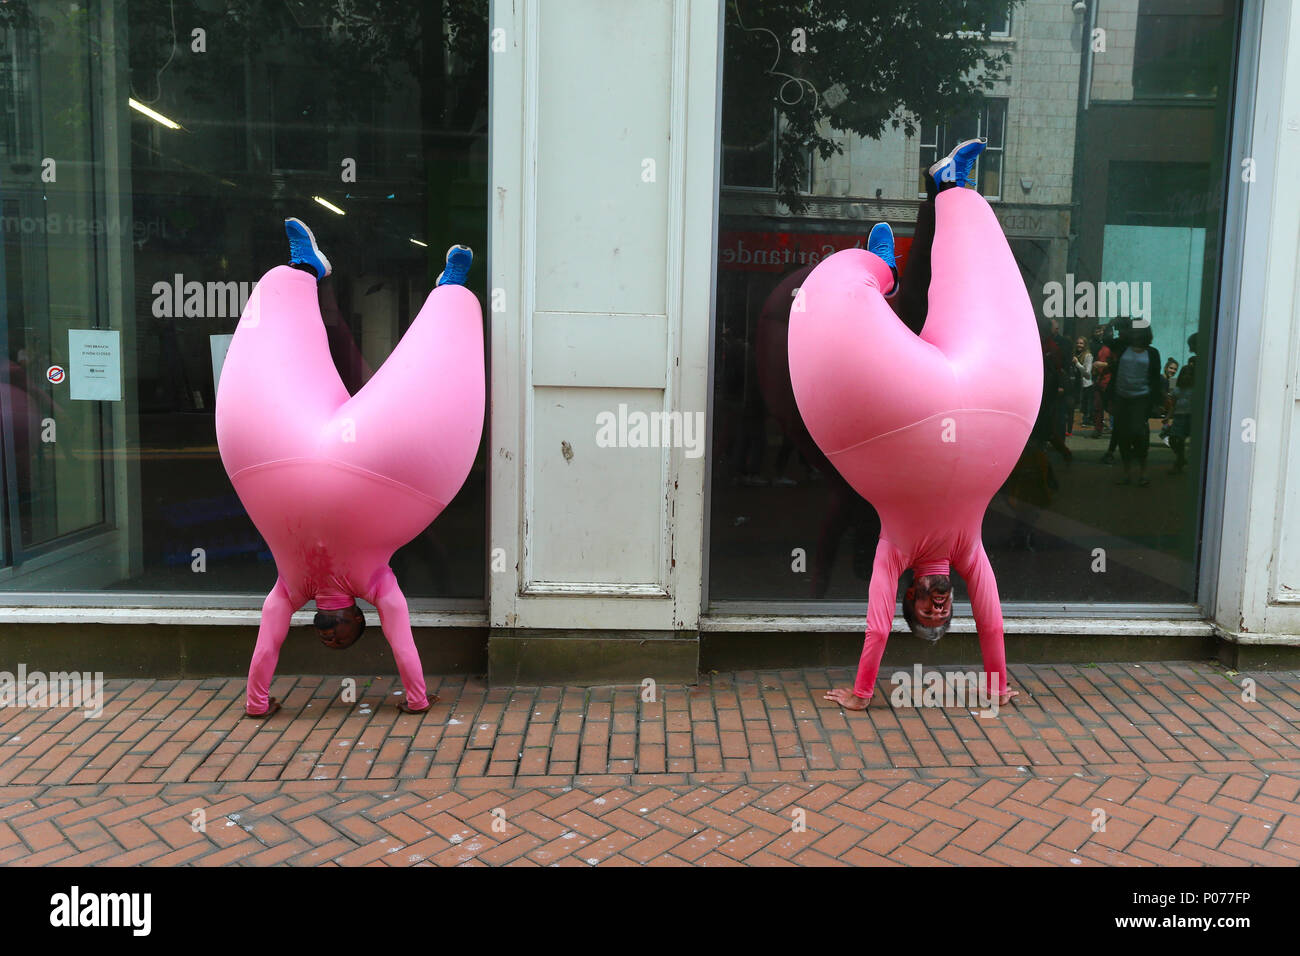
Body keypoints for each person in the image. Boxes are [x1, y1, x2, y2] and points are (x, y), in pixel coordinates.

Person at [789, 138, 1040, 710]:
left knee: (837, 321)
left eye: (928, 610)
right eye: (946, 613)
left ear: (909, 595)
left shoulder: (895, 547)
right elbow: (994, 623)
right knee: (988, 312)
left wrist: (860, 694)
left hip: (911, 405)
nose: (941, 607)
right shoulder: (967, 544)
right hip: (987, 395)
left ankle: (879, 269)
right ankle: (949, 189)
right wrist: (998, 686)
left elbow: (876, 630)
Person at [216, 219, 485, 718]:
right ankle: (302, 272)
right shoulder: (289, 586)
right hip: (275, 456)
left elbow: (402, 642)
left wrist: (418, 699)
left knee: (430, 384)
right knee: (266, 363)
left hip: (368, 462)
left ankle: (450, 291)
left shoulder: (371, 583)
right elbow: (266, 646)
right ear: (318, 617)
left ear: (357, 617)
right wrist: (255, 703)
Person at [1109, 324, 1164, 486]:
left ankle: (1143, 471)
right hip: (1121, 397)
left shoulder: (1152, 353)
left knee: (1139, 434)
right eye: (1134, 330)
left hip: (1141, 399)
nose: (1136, 334)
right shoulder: (1122, 347)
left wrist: (1157, 403)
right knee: (1123, 436)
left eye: (1139, 331)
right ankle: (1126, 473)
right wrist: (1116, 322)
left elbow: (1155, 379)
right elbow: (1107, 338)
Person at [1164, 364, 1194, 474]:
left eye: (1189, 375)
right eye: (1184, 374)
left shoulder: (1195, 390)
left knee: (1182, 440)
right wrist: (1168, 417)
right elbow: (1173, 405)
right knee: (1173, 439)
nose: (1187, 377)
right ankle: (1181, 458)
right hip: (1178, 417)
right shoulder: (1177, 390)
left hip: (1190, 417)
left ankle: (1178, 463)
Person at [1073, 336, 1093, 436]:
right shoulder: (1076, 354)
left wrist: (1077, 364)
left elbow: (1087, 373)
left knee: (1085, 404)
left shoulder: (1088, 355)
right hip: (1076, 382)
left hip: (1086, 383)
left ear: (1085, 345)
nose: (1079, 345)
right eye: (1077, 343)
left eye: (1081, 343)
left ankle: (1087, 420)